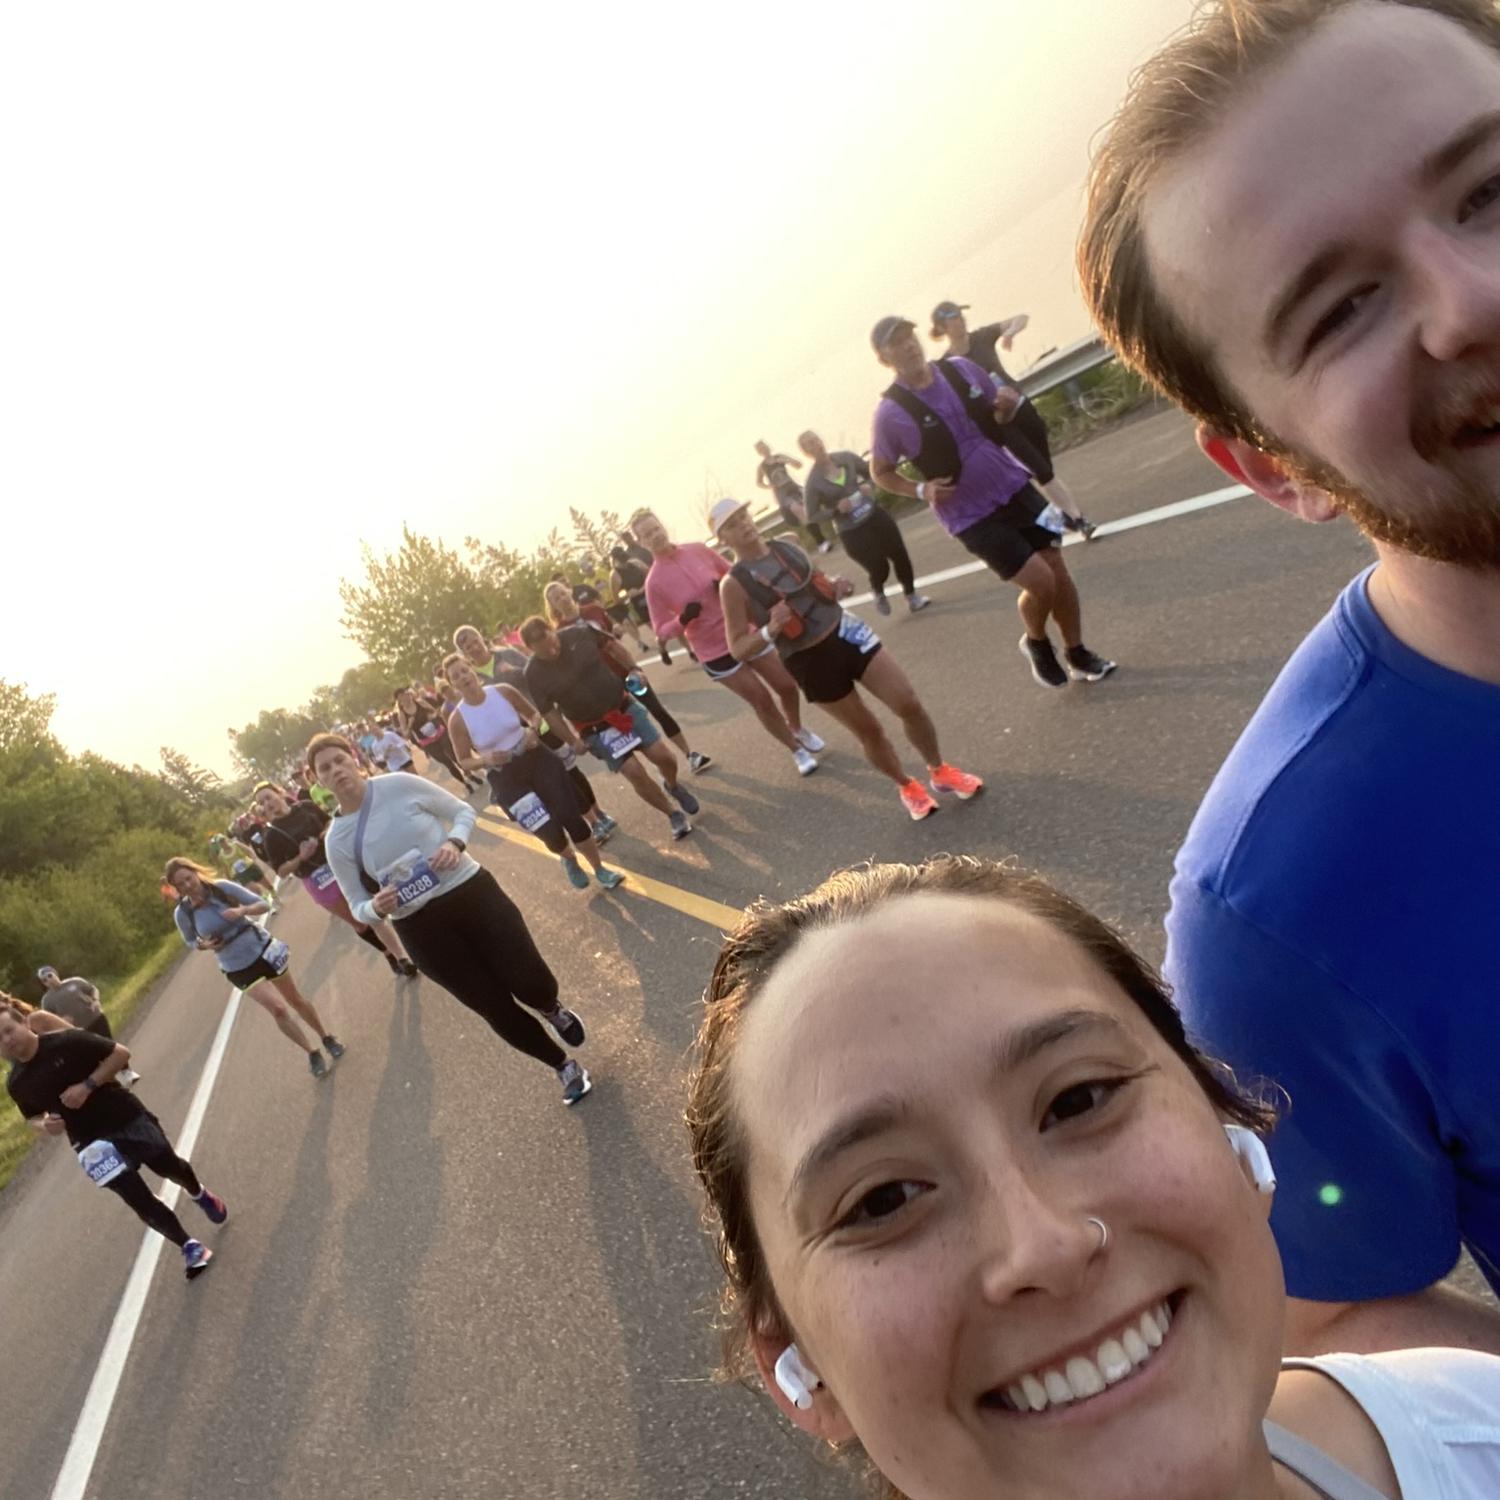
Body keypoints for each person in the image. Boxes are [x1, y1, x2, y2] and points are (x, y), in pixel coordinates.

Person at [1076, 0, 1500, 1358]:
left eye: (1488, 188)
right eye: (1343, 307)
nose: (1471, 300)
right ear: (1271, 466)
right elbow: (1336, 1296)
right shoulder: (1283, 911)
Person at [686, 855, 1500, 1500]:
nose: (1046, 1245)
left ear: (1230, 1137)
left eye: (1080, 1099)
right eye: (882, 1200)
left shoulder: (1471, 1423)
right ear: (797, 1368)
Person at [312, 734, 593, 1104]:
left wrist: (454, 843)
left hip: (471, 892)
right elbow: (356, 904)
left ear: (354, 758)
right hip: (419, 927)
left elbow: (462, 811)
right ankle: (562, 1066)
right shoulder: (336, 840)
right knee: (493, 1006)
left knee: (530, 979)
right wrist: (376, 907)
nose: (335, 770)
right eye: (325, 768)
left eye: (339, 760)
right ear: (318, 781)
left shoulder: (398, 785)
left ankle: (550, 1007)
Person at [870, 316, 1117, 691]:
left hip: (1015, 484)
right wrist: (921, 490)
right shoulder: (890, 413)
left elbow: (998, 415)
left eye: (909, 336)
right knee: (1041, 581)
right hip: (969, 515)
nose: (908, 345)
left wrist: (1008, 407)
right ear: (884, 357)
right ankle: (1035, 640)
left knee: (1058, 571)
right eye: (896, 343)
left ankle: (1078, 653)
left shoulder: (959, 368)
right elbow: (880, 472)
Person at [714, 498, 983, 820]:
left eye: (743, 516)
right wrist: (770, 629)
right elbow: (737, 647)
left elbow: (815, 581)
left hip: (846, 630)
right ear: (722, 539)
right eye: (732, 524)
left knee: (908, 703)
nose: (743, 524)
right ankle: (907, 786)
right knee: (869, 730)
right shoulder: (733, 585)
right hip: (808, 661)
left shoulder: (789, 544)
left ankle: (940, 771)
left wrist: (835, 586)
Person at [2, 1002, 225, 1280]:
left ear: (25, 1022)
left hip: (124, 1116)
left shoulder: (66, 1041)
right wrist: (45, 1125)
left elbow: (120, 1053)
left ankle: (198, 1192)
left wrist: (87, 1086)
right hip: (89, 1143)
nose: (7, 1041)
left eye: (9, 1030)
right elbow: (32, 1117)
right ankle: (189, 1247)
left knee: (169, 1167)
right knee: (138, 1200)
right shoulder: (16, 1083)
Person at [634, 506, 824, 777]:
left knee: (787, 685)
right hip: (714, 650)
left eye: (656, 529)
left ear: (663, 526)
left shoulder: (697, 549)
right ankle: (796, 750)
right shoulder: (654, 582)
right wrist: (683, 619)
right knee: (761, 700)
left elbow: (734, 572)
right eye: (647, 535)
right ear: (641, 543)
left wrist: (724, 583)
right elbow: (661, 631)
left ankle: (796, 728)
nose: (655, 536)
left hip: (744, 629)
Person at [442, 653, 624, 891]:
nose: (463, 677)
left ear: (472, 669)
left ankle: (600, 869)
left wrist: (532, 731)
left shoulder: (502, 691)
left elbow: (534, 715)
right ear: (452, 685)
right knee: (547, 830)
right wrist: (485, 759)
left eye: (464, 671)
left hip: (536, 758)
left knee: (570, 815)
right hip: (505, 776)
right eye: (456, 676)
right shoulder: (457, 720)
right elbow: (464, 761)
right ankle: (568, 857)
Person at [520, 616, 701, 841]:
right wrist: (572, 741)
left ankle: (672, 785)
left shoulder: (580, 632)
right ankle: (673, 814)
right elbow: (549, 712)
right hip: (593, 728)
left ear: (553, 630)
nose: (553, 652)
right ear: (531, 650)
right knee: (634, 772)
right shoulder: (533, 674)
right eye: (545, 652)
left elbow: (613, 646)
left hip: (623, 707)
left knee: (663, 757)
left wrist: (634, 669)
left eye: (554, 644)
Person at [930, 299, 1099, 540]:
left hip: (1021, 408)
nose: (961, 320)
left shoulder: (982, 337)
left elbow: (1021, 318)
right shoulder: (947, 366)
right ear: (942, 327)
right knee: (1040, 471)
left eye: (961, 314)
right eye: (954, 317)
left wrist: (1009, 333)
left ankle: (1059, 518)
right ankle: (1079, 520)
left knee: (1041, 467)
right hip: (999, 424)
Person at [165, 859, 344, 1081]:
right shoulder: (183, 913)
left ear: (196, 872)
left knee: (295, 999)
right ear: (176, 888)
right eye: (180, 884)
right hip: (235, 965)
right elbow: (191, 940)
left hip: (262, 949)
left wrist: (243, 910)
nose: (187, 885)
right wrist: (205, 945)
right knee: (278, 1009)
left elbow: (263, 905)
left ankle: (326, 1037)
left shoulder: (221, 888)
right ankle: (312, 1052)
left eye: (188, 878)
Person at [451, 623, 618, 843]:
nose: (474, 647)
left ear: (481, 638)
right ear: (464, 654)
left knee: (570, 772)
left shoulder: (507, 654)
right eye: (467, 647)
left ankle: (598, 814)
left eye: (474, 641)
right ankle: (589, 824)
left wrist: (516, 672)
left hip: (541, 724)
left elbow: (537, 671)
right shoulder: (471, 676)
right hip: (518, 741)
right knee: (555, 784)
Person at [542, 580, 712, 773]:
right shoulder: (560, 633)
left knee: (657, 709)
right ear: (553, 606)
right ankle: (660, 765)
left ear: (569, 591)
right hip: (605, 687)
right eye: (556, 599)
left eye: (562, 593)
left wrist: (619, 637)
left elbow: (611, 630)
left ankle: (690, 754)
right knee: (629, 728)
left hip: (626, 672)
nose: (562, 599)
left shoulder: (593, 610)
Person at [253, 782, 420, 976]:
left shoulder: (306, 806)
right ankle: (389, 954)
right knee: (359, 922)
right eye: (262, 802)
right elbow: (281, 871)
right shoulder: (271, 836)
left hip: (343, 863)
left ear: (280, 793)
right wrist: (301, 857)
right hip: (319, 881)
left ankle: (403, 954)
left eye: (268, 797)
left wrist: (327, 832)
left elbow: (330, 821)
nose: (267, 803)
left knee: (377, 907)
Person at [798, 430, 931, 617]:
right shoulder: (813, 482)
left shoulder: (846, 457)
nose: (816, 445)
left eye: (816, 440)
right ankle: (877, 591)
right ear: (806, 453)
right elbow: (812, 515)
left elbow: (873, 472)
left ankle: (912, 597)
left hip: (873, 514)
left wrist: (869, 485)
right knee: (879, 566)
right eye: (810, 444)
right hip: (851, 530)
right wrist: (836, 510)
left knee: (899, 554)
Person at [35, 966, 140, 1087]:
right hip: (79, 1030)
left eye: (50, 976)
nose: (49, 980)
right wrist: (61, 1020)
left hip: (96, 1018)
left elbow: (93, 989)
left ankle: (127, 1072)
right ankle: (113, 1081)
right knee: (97, 1052)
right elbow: (49, 1020)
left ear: (55, 974)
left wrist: (95, 1000)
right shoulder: (47, 1000)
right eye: (45, 980)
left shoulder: (75, 981)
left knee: (111, 1045)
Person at [395, 686, 482, 791]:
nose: (406, 697)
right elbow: (406, 735)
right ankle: (465, 784)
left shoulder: (420, 702)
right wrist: (410, 724)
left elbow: (435, 712)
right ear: (399, 700)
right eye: (402, 696)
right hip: (428, 742)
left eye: (406, 694)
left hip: (440, 733)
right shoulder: (402, 715)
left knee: (454, 756)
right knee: (448, 763)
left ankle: (469, 775)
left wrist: (432, 716)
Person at [754, 439, 830, 551]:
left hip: (793, 487)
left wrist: (787, 460)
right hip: (782, 493)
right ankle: (821, 542)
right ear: (759, 452)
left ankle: (830, 529)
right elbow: (759, 483)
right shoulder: (762, 467)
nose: (765, 449)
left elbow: (799, 465)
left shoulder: (779, 456)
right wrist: (770, 486)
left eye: (765, 446)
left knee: (813, 502)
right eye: (761, 449)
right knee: (799, 510)